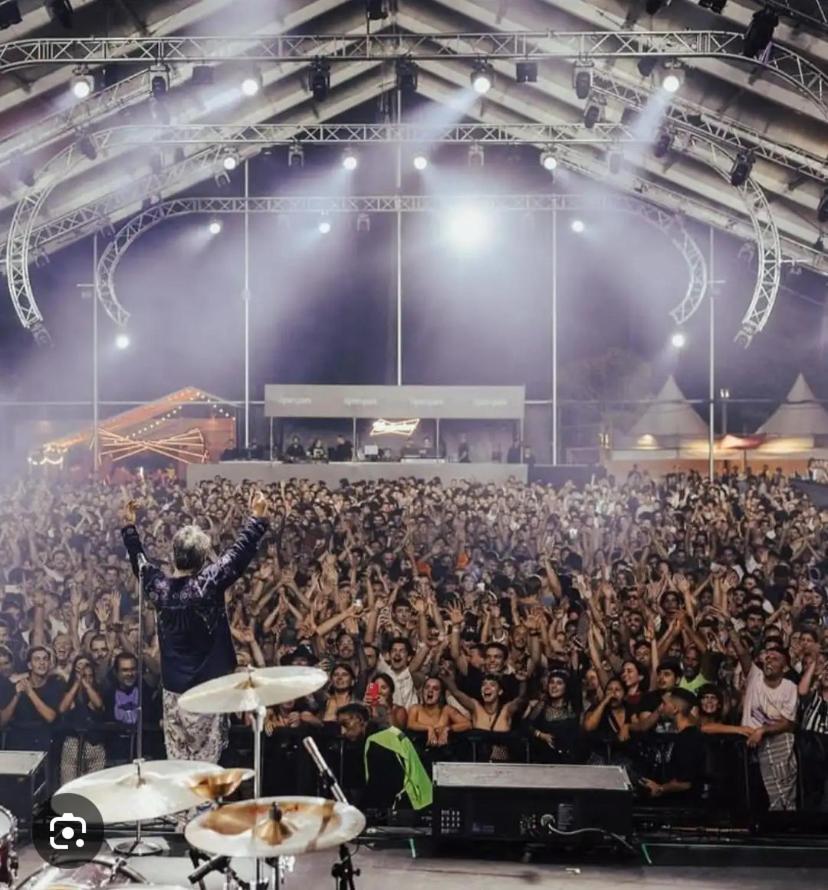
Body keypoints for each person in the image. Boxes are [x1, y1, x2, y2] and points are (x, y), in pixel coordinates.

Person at [120, 491, 270, 762]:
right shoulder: (207, 585)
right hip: (207, 690)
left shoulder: (159, 588)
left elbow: (139, 562)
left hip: (173, 691)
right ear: (202, 560)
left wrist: (129, 528)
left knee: (179, 766)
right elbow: (237, 557)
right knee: (206, 768)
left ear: (173, 555)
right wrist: (256, 520)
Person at [336, 702, 432, 815]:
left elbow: (381, 788)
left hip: (408, 806)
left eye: (345, 724)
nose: (342, 731)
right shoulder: (387, 732)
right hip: (421, 799)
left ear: (359, 719)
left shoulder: (377, 743)